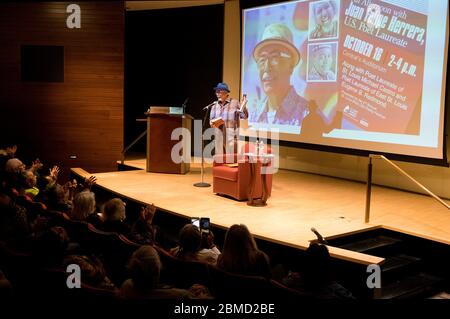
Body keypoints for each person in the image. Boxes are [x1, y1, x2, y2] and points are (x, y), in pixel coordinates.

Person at [249, 23, 309, 126]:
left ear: (290, 66)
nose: (267, 67)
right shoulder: (252, 115)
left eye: (275, 57)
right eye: (262, 59)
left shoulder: (307, 115)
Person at [209, 82, 248, 154]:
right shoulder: (214, 106)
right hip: (219, 138)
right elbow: (211, 122)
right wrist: (212, 123)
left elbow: (244, 116)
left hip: (232, 138)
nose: (217, 94)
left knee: (231, 161)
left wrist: (243, 106)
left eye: (219, 91)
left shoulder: (235, 103)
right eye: (216, 92)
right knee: (220, 161)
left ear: (226, 92)